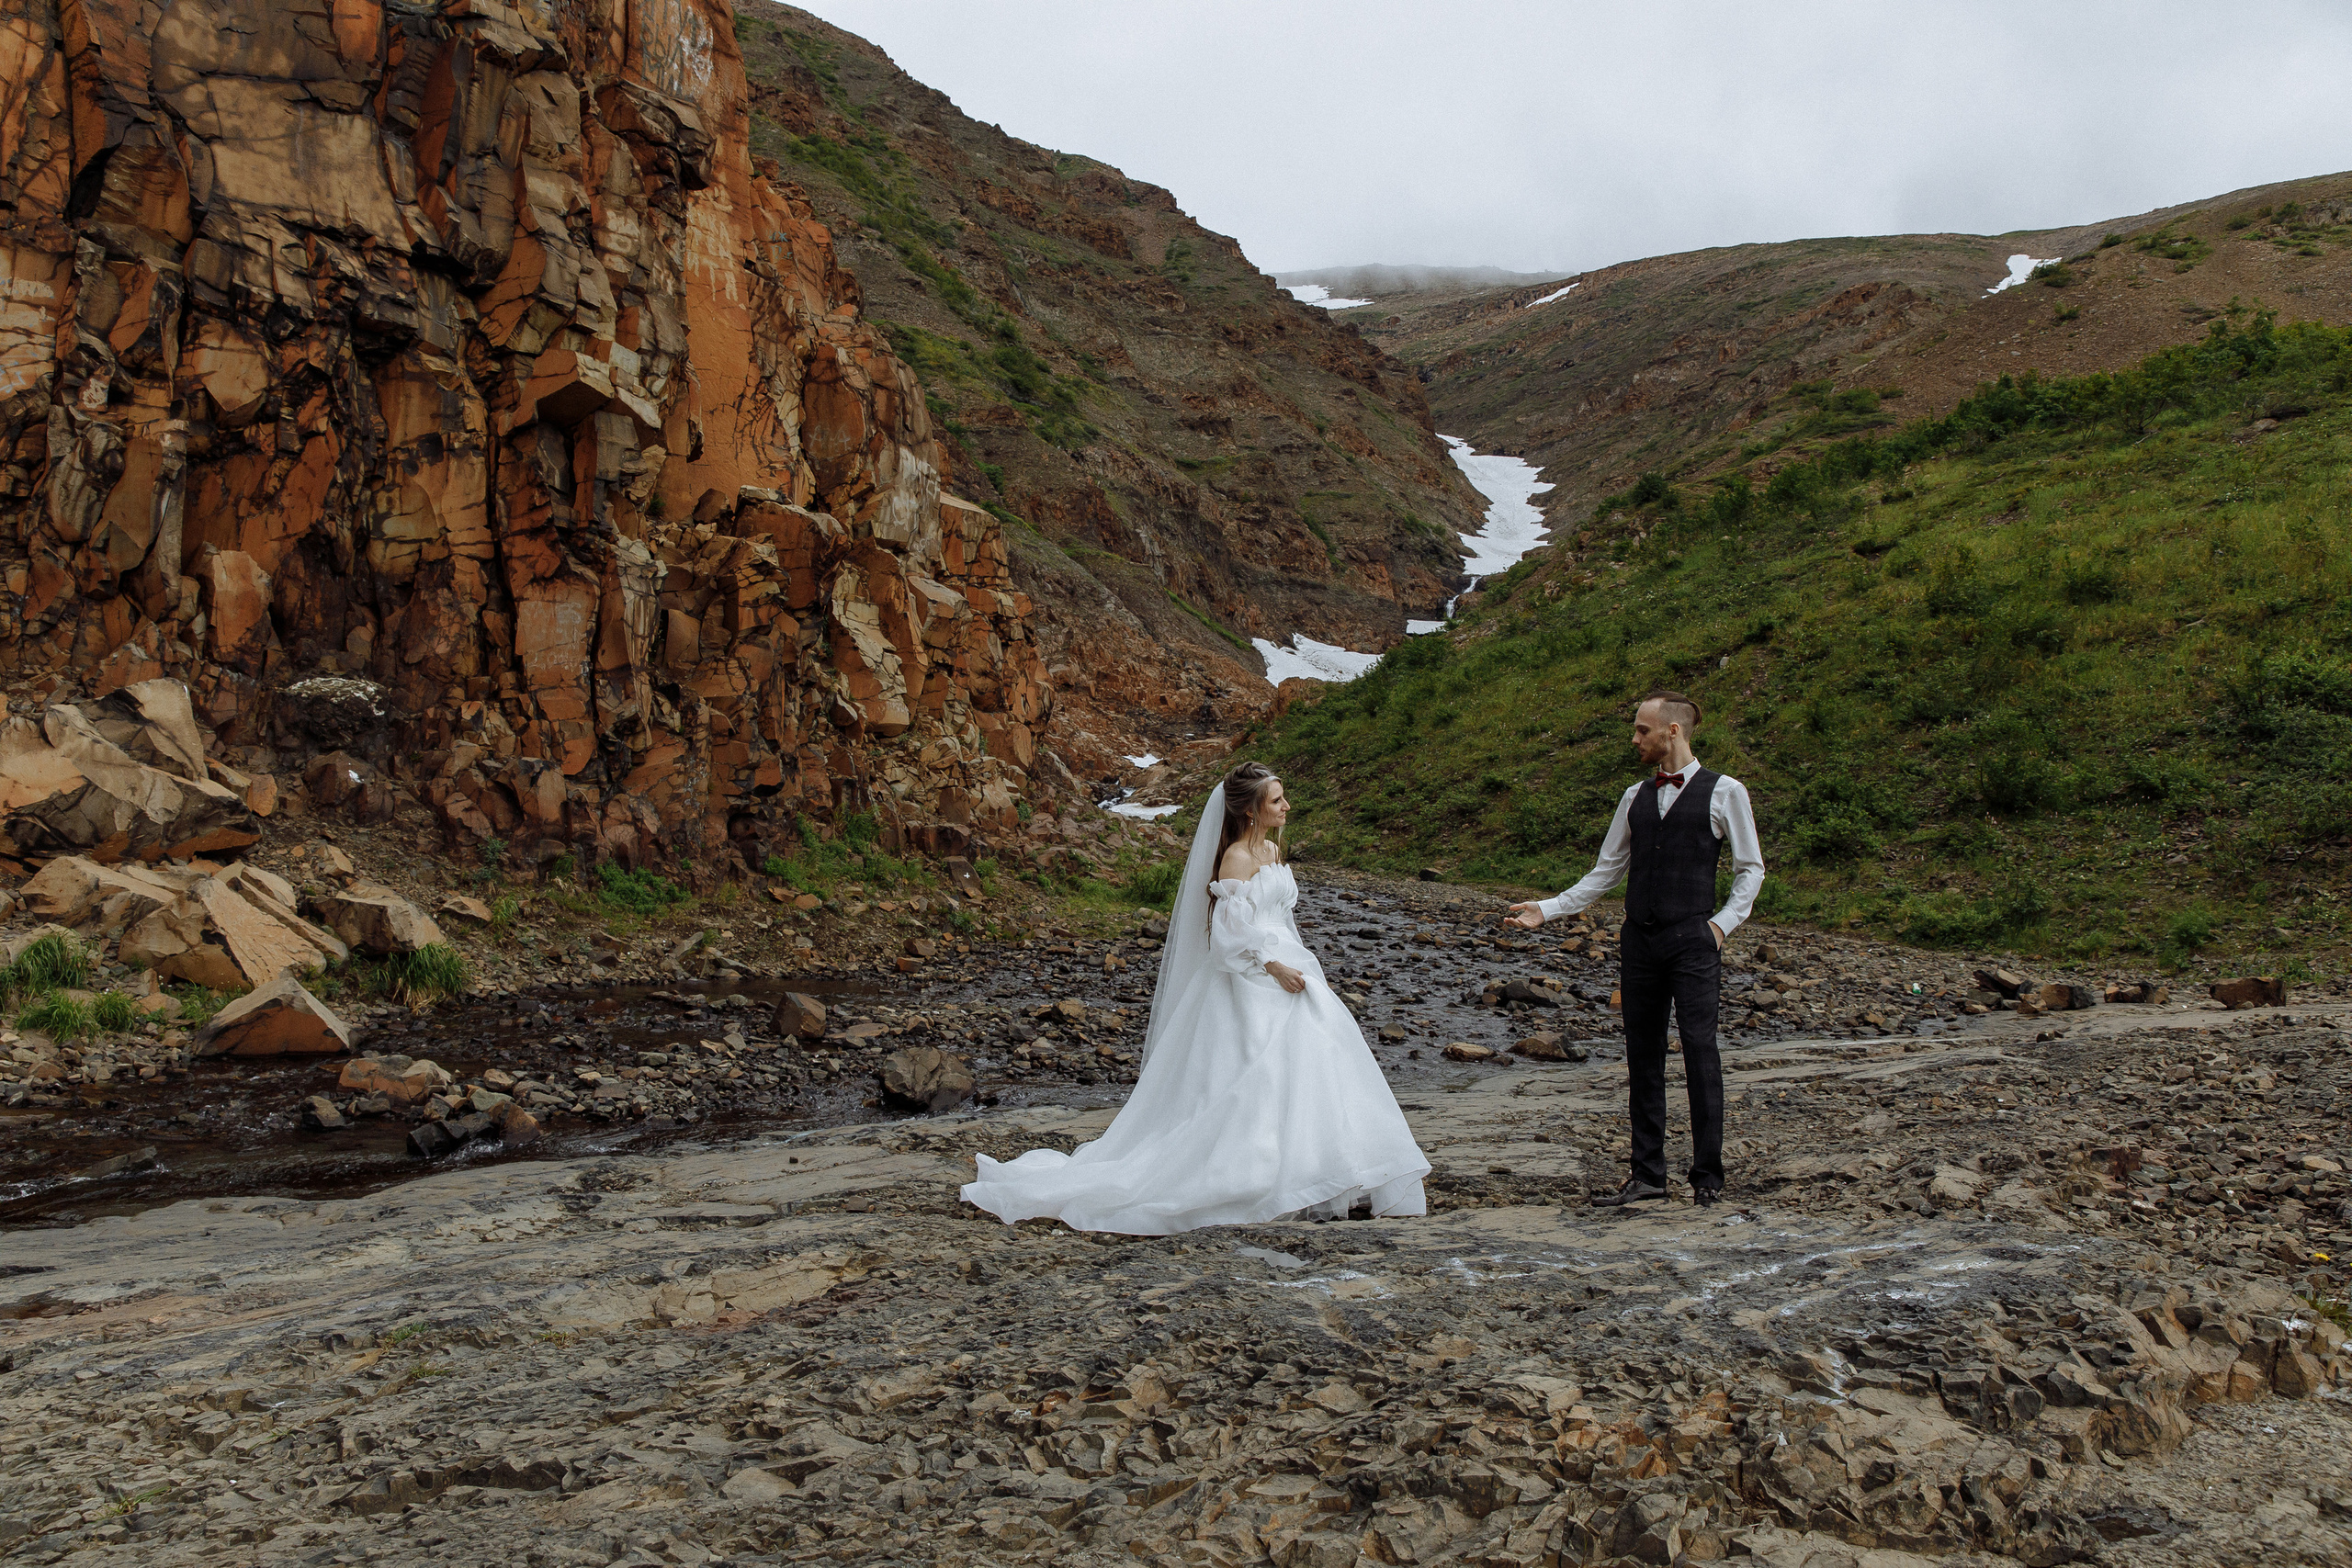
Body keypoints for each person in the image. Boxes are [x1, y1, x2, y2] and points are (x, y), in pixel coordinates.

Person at [962, 761, 1430, 1235]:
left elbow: (1279, 918)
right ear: (1251, 810)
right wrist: (1273, 965)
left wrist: (1301, 963)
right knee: (1256, 1073)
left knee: (1319, 1062)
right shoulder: (1236, 860)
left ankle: (1319, 1169)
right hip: (1253, 974)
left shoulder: (1271, 849)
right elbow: (1228, 934)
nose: (1286, 806)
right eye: (1276, 800)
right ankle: (1254, 1174)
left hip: (1291, 965)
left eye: (1283, 797)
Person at [1507, 691, 1763, 1208]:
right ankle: (1648, 1176)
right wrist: (1547, 909)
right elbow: (1606, 871)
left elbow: (1750, 869)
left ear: (1673, 730)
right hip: (1640, 941)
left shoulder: (1725, 791)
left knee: (1700, 1052)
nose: (1635, 738)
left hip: (1694, 942)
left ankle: (1707, 1178)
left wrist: (1720, 927)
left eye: (1643, 730)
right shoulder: (1633, 797)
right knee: (1643, 1057)